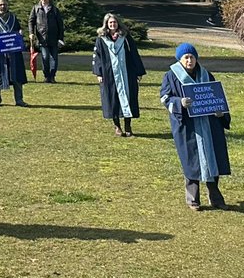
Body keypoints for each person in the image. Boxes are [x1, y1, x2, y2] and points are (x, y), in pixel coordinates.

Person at [160, 43, 232, 210]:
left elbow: (217, 97)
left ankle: (215, 197)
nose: (189, 60)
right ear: (180, 59)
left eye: (192, 57)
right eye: (186, 57)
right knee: (191, 161)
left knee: (213, 158)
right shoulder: (171, 76)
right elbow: (165, 98)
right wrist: (179, 103)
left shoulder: (207, 75)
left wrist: (222, 113)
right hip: (187, 126)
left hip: (209, 125)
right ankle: (193, 198)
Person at [92, 13, 146, 137]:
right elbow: (97, 57)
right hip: (109, 74)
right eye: (110, 23)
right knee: (113, 99)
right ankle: (117, 126)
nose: (112, 25)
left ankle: (128, 126)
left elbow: (134, 54)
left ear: (118, 24)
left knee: (128, 97)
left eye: (114, 22)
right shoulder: (101, 39)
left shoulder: (125, 38)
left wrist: (138, 71)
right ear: (106, 24)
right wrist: (98, 73)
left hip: (127, 73)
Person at [0, 0, 28, 107]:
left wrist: (20, 34)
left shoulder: (13, 17)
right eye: (0, 5)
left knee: (16, 76)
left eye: (4, 4)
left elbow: (17, 31)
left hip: (13, 52)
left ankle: (19, 99)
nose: (3, 6)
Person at [28, 0, 66, 83]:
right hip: (42, 38)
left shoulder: (54, 9)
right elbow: (31, 21)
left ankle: (52, 76)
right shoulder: (36, 8)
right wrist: (31, 33)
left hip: (54, 38)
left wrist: (60, 38)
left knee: (54, 59)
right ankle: (46, 76)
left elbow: (60, 25)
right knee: (45, 58)